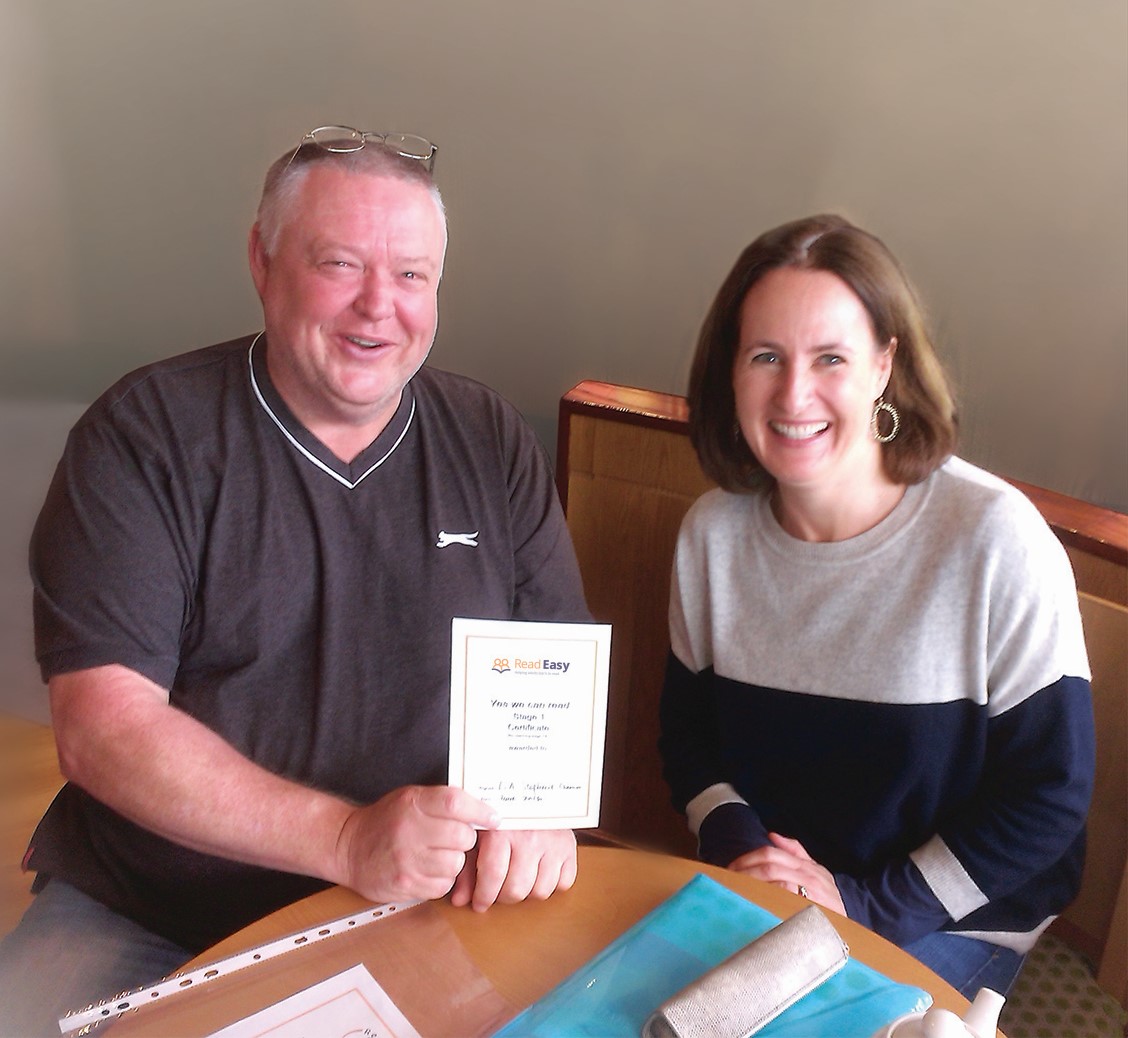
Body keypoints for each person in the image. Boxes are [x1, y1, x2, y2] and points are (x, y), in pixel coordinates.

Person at [0, 126, 590, 1036]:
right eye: (340, 263)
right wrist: (348, 840)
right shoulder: (143, 438)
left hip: (424, 899)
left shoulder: (490, 438)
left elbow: (549, 663)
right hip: (155, 908)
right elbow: (103, 728)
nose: (377, 307)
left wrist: (538, 808)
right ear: (262, 260)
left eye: (410, 276)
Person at [658, 213, 1095, 998]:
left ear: (884, 365)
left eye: (831, 357)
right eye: (766, 356)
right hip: (769, 895)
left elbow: (1049, 796)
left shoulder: (995, 539)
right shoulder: (711, 537)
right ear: (731, 370)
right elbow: (689, 743)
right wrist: (748, 857)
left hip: (946, 919)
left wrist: (859, 904)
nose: (795, 392)